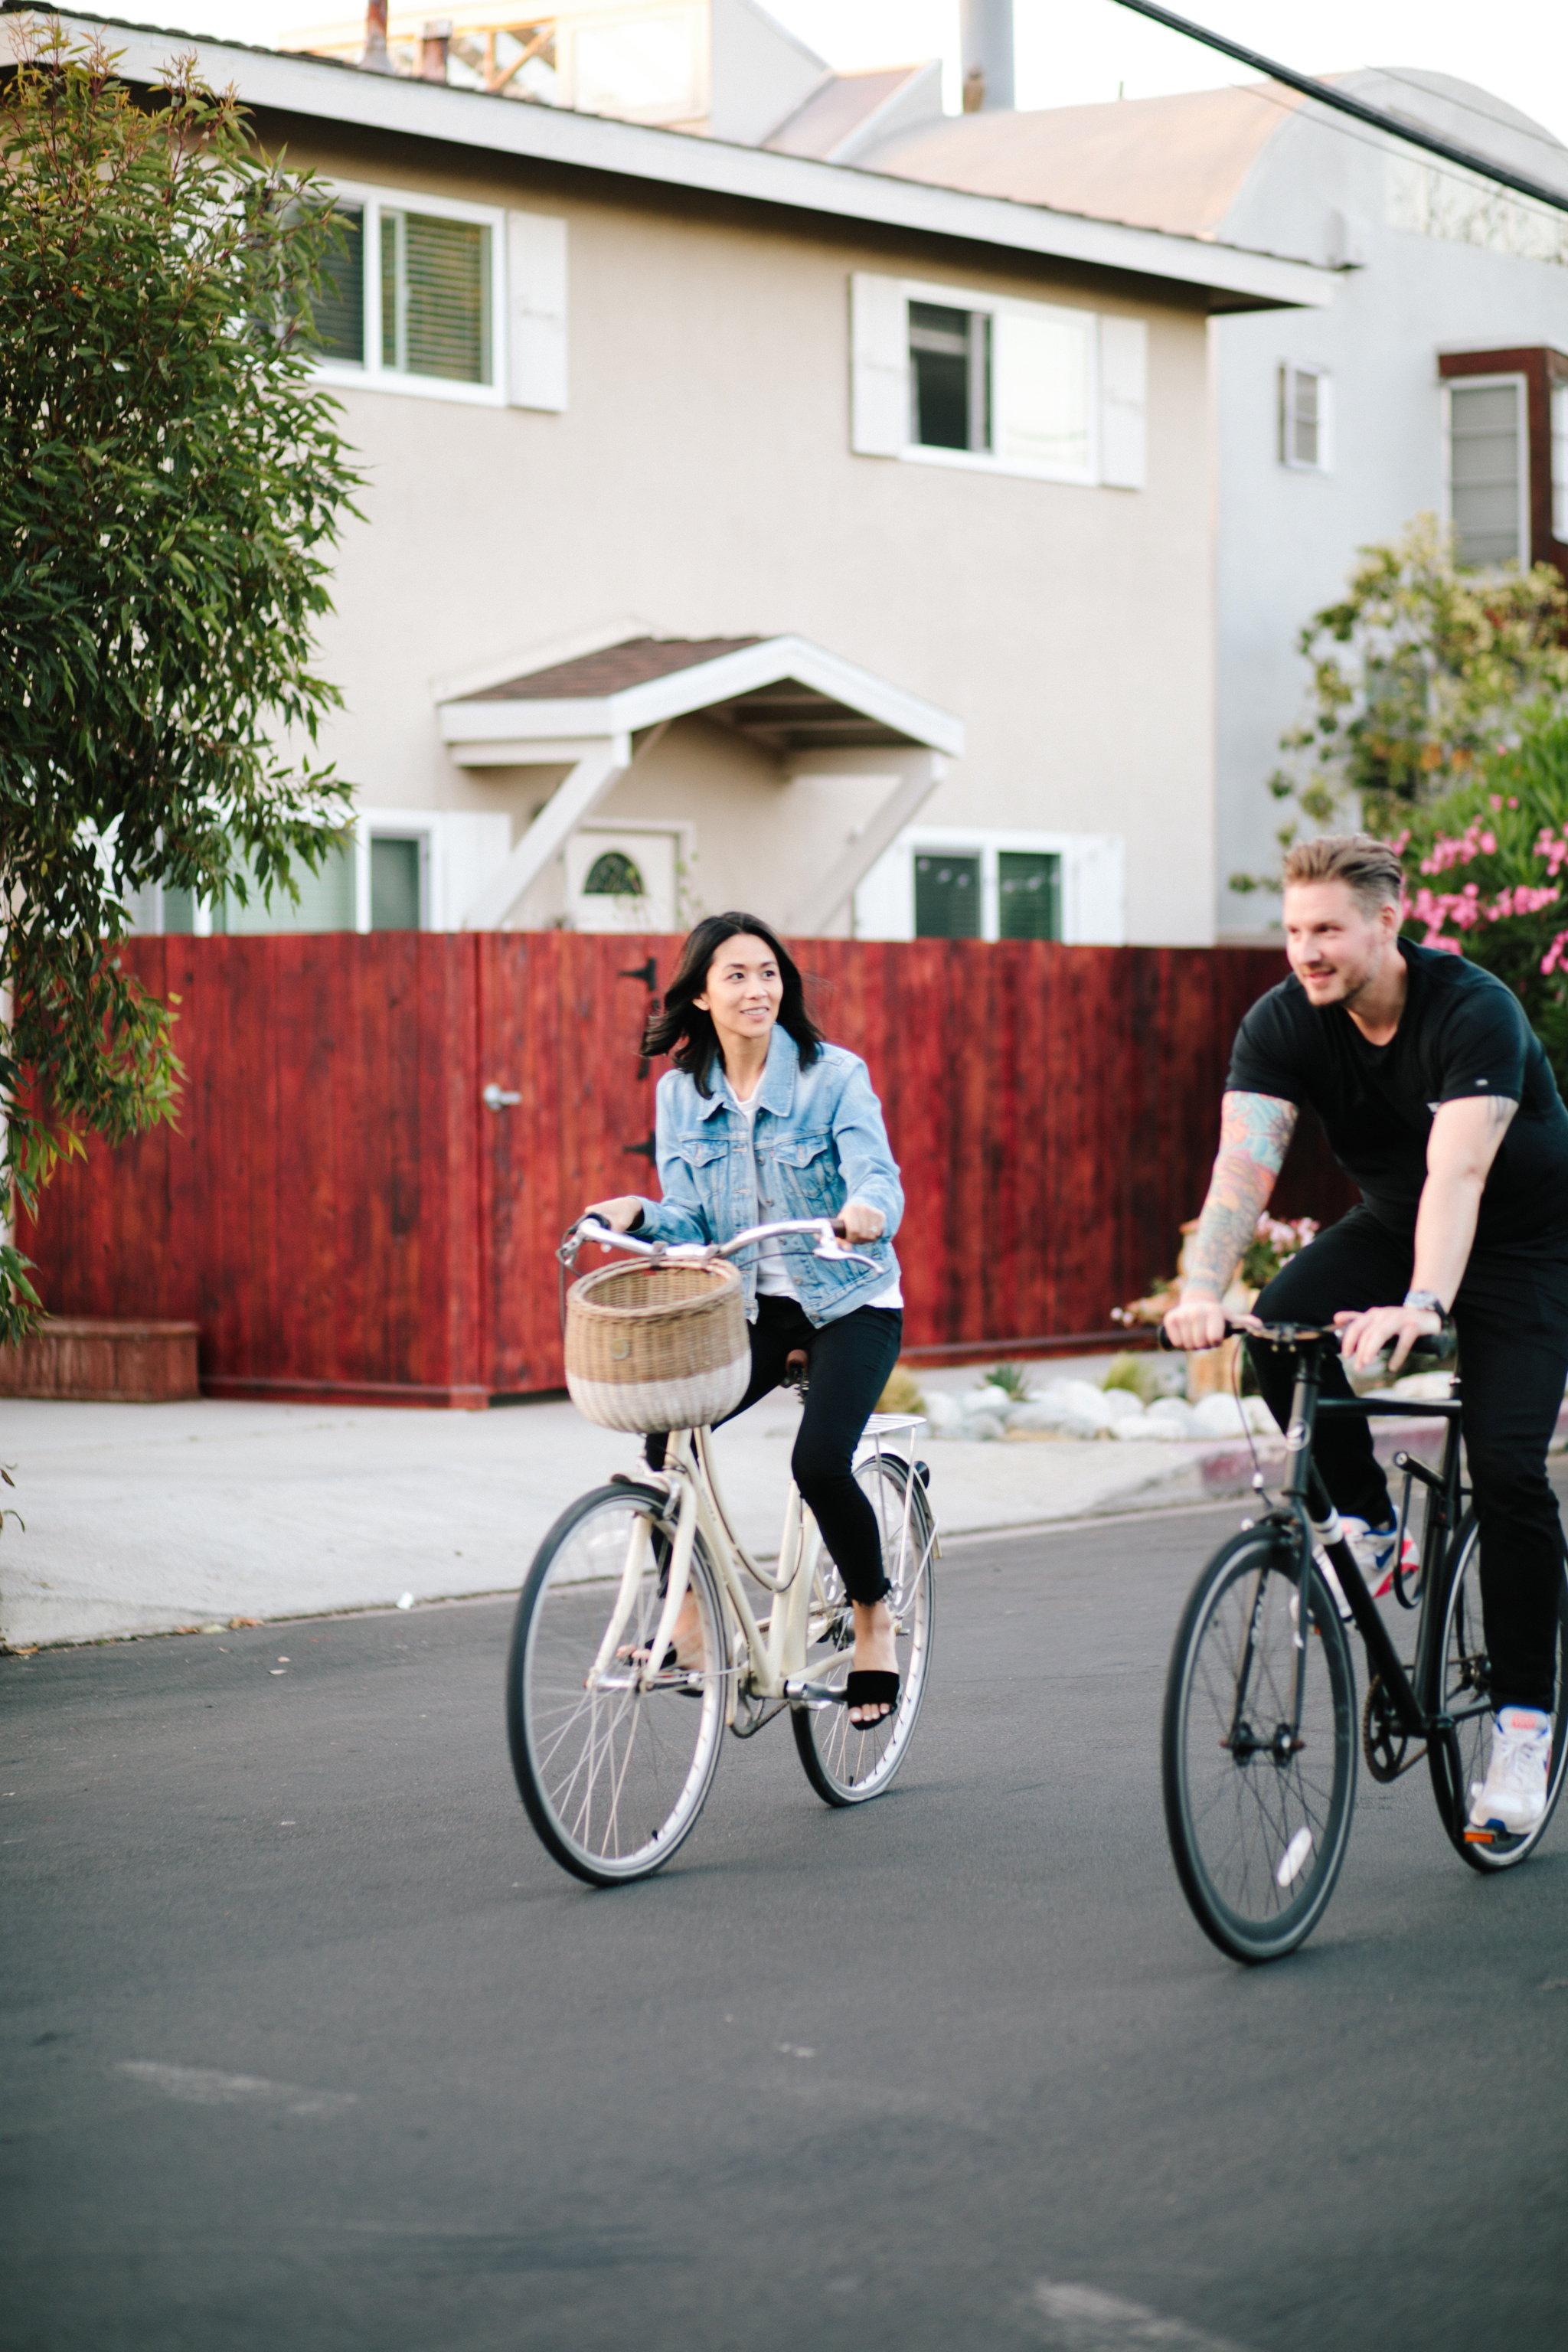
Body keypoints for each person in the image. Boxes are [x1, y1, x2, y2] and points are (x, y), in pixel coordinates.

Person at [1165, 834, 1568, 1838]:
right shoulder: (1284, 1023)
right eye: (1294, 931)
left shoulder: (1472, 1009)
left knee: (1509, 1465)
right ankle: (1372, 1524)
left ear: (1389, 922)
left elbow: (1462, 1176)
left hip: (1526, 1246)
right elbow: (1241, 1173)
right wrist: (1201, 1287)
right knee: (1275, 1334)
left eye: (1327, 931)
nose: (1305, 951)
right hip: (1394, 1225)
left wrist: (1426, 1306)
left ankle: (1525, 1724)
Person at [584, 912, 907, 1728]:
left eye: (767, 972)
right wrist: (641, 1214)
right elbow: (693, 1223)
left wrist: (867, 1209)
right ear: (699, 995)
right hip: (755, 1310)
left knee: (820, 1463)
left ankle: (873, 1618)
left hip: (849, 1302)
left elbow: (878, 1174)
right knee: (663, 1443)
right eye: (735, 975)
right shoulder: (678, 1096)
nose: (757, 988)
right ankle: (686, 1622)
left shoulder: (834, 1076)